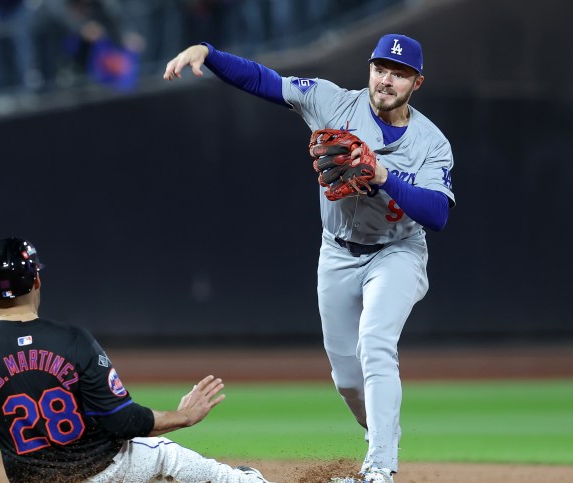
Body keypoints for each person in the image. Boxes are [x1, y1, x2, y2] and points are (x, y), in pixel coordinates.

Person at [163, 33, 455, 483]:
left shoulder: (432, 143)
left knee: (375, 343)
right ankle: (380, 434)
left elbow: (436, 215)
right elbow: (267, 82)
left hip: (397, 251)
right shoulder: (332, 101)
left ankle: (379, 469)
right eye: (381, 69)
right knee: (346, 379)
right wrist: (209, 54)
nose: (386, 80)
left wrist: (382, 175)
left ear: (418, 82)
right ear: (370, 69)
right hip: (336, 252)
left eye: (399, 74)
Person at [0, 236, 272, 483]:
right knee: (164, 456)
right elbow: (123, 421)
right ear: (36, 282)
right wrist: (184, 416)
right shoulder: (73, 341)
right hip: (106, 473)